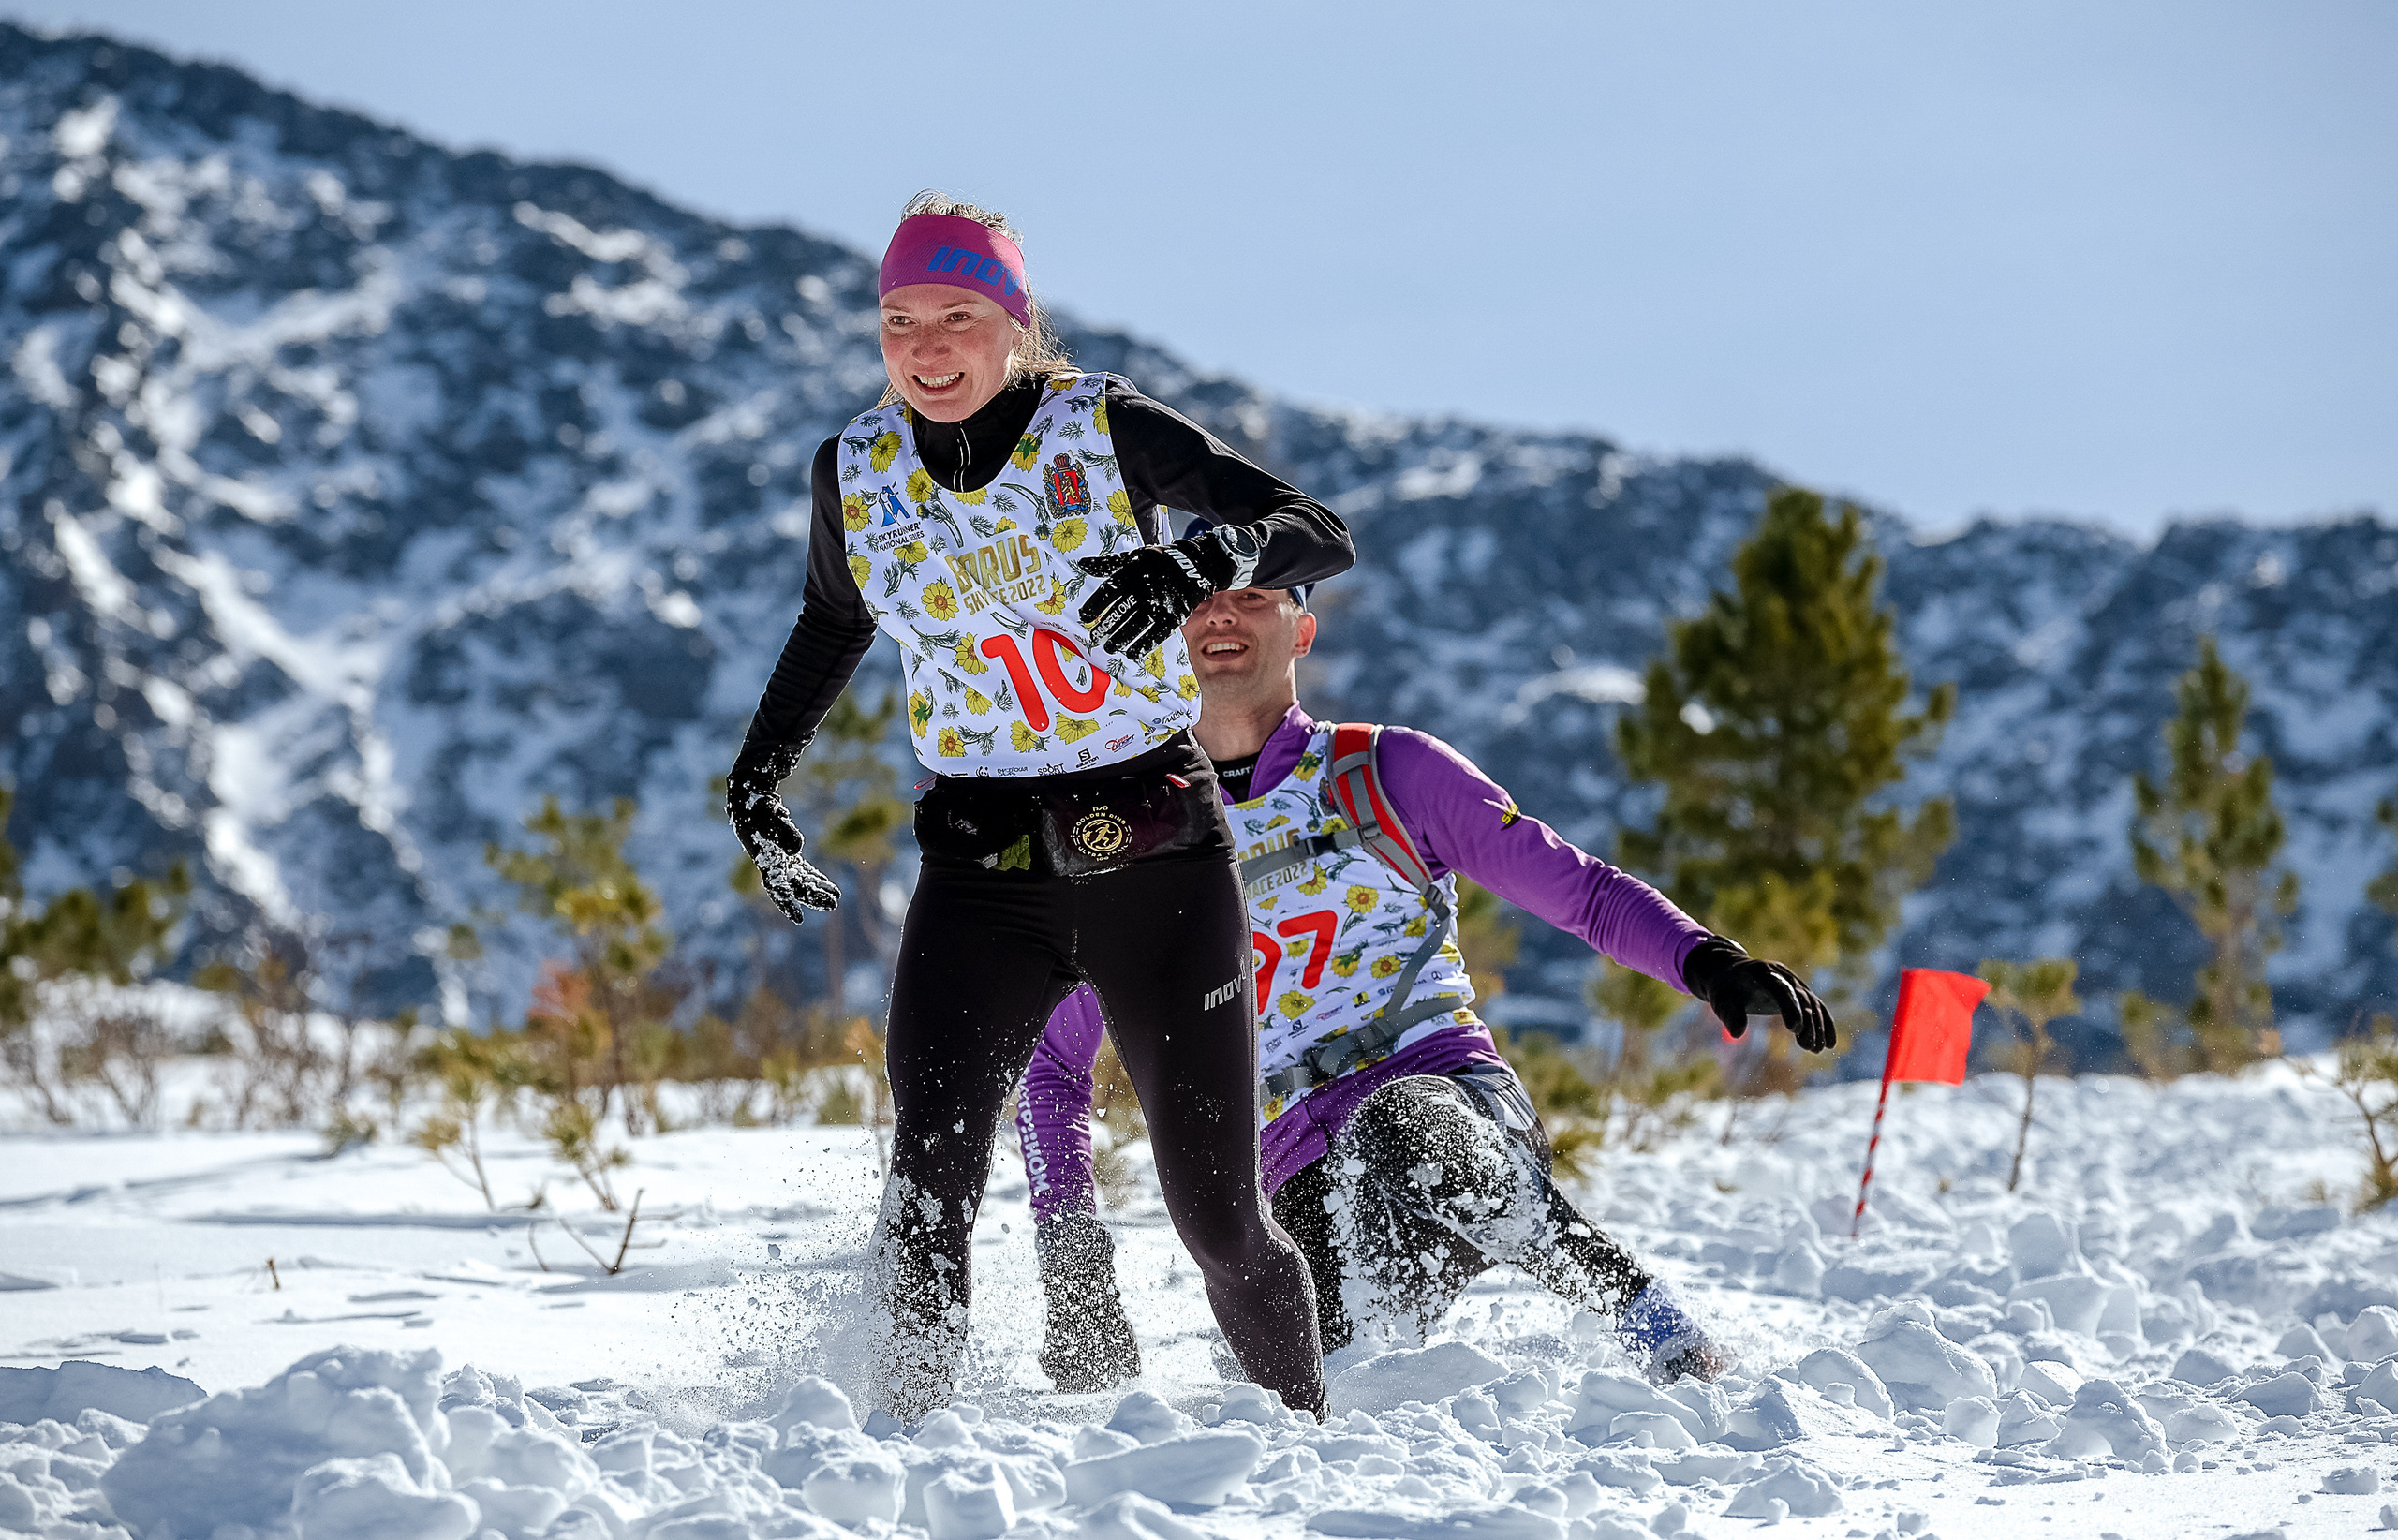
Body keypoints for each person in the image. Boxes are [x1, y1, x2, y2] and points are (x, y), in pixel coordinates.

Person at [727, 193, 1353, 1420]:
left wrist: (1198, 558)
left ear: (1014, 323)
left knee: (1218, 1216)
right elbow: (832, 621)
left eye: (958, 314)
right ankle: (900, 1454)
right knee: (928, 1180)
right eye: (899, 321)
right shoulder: (853, 470)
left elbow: (1313, 532)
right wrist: (757, 778)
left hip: (1159, 860)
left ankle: (1305, 1439)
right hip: (979, 877)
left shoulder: (1101, 427)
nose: (927, 345)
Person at [1014, 547, 1837, 1388]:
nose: (1222, 614)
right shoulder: (1126, 839)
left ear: (1302, 631)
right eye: (1201, 597)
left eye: (1254, 595)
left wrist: (1709, 963)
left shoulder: (1388, 771)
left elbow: (1580, 892)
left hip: (1456, 1109)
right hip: (1295, 1176)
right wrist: (1074, 1266)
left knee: (1399, 1127)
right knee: (1309, 1382)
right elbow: (1050, 1067)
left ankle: (1649, 1321)